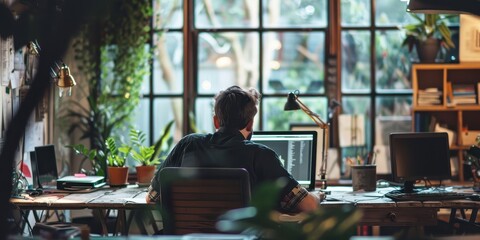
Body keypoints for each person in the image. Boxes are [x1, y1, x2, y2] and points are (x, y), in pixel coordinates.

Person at [146, 85, 322, 213]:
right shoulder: (261, 155)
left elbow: (151, 199)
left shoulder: (187, 144)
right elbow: (308, 205)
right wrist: (318, 196)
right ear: (250, 123)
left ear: (216, 121)